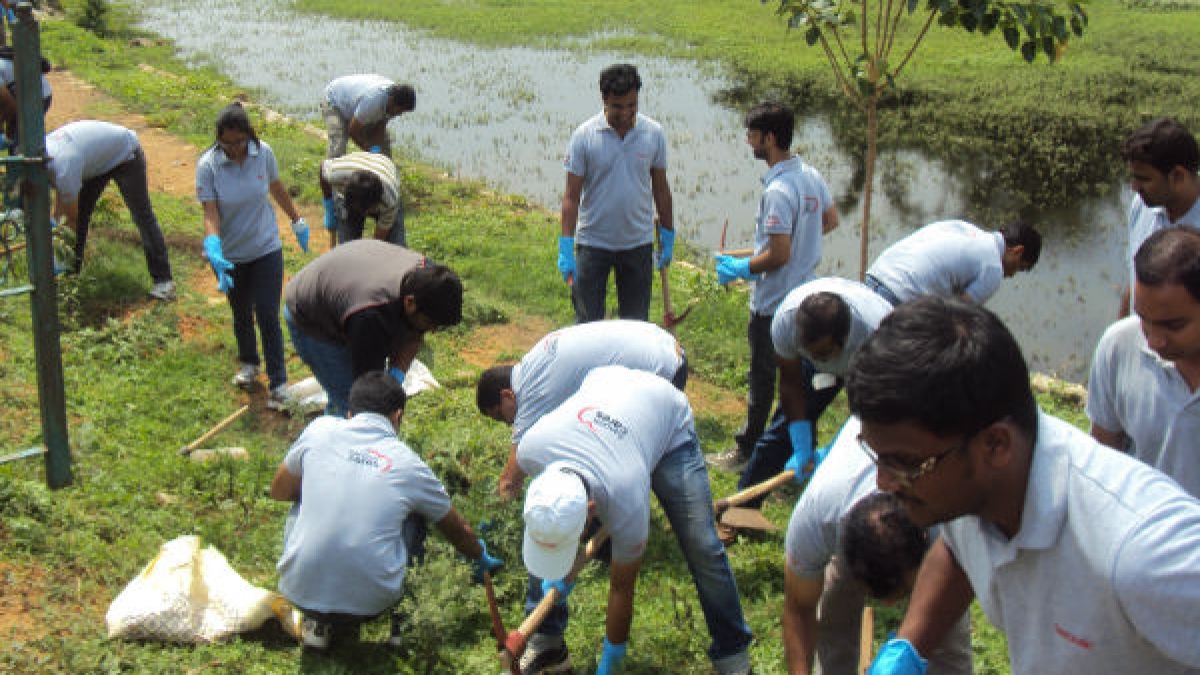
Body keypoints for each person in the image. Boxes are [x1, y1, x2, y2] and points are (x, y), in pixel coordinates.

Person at [846, 296, 1200, 675]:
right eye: (877, 455)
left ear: (996, 444)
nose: (884, 482)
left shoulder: (1144, 552)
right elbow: (956, 547)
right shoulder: (964, 489)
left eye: (905, 463)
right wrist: (910, 647)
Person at [516, 366, 753, 675]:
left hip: (665, 417)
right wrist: (554, 570)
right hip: (605, 385)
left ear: (591, 512)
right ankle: (548, 642)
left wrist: (611, 660)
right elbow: (549, 519)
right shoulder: (531, 450)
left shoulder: (625, 501)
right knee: (549, 532)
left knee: (702, 544)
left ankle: (733, 657)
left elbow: (621, 588)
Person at [270, 371, 502, 652]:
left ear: (350, 412)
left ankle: (317, 625)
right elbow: (456, 529)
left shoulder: (320, 431)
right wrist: (480, 556)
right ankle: (401, 627)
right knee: (417, 514)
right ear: (397, 416)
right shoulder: (407, 464)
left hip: (300, 591)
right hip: (371, 603)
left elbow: (279, 491)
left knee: (300, 494)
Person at [782, 416, 973, 675]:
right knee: (835, 612)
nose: (889, 608)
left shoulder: (947, 509)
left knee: (948, 639)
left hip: (933, 517)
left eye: (902, 590)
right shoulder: (816, 517)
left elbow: (955, 589)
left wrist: (911, 645)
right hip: (845, 513)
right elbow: (798, 609)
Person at [709, 101, 839, 472]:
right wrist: (803, 241)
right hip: (806, 296)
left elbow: (778, 254)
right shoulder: (811, 176)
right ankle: (795, 446)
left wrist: (742, 268)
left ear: (769, 138)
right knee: (797, 376)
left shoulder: (779, 190)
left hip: (773, 303)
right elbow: (829, 219)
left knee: (765, 380)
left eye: (752, 135)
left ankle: (749, 449)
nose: (748, 141)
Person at [721, 277, 892, 543]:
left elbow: (869, 412)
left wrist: (835, 449)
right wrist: (800, 440)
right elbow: (790, 384)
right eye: (808, 351)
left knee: (863, 452)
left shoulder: (878, 337)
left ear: (843, 339)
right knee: (781, 435)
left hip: (872, 366)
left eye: (822, 353)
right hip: (831, 351)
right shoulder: (787, 323)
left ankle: (846, 524)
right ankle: (740, 512)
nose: (816, 357)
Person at [475, 319, 687, 498]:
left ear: (507, 395)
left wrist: (498, 518)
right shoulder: (533, 361)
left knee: (617, 452)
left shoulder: (531, 394)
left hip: (662, 370)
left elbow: (510, 482)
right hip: (661, 342)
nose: (509, 424)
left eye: (501, 416)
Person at [196, 102, 307, 409]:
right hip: (231, 253)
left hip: (265, 247)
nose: (233, 149)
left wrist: (296, 219)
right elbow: (211, 212)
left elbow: (275, 187)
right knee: (241, 312)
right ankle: (249, 363)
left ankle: (279, 381)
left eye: (238, 141)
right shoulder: (209, 165)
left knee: (268, 314)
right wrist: (213, 245)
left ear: (249, 135)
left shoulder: (263, 153)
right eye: (226, 143)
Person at [283, 239, 462, 416]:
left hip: (346, 288)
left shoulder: (430, 277)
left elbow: (411, 338)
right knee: (352, 403)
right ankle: (338, 435)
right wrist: (383, 394)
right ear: (410, 303)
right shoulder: (370, 316)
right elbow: (367, 392)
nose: (432, 331)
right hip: (309, 313)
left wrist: (395, 378)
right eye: (431, 323)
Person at [558, 63, 674, 323]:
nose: (626, 113)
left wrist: (668, 233)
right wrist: (565, 245)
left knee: (635, 325)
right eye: (618, 107)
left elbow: (661, 189)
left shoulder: (653, 134)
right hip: (593, 244)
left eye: (632, 105)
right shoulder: (584, 137)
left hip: (637, 244)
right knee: (588, 324)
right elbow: (571, 196)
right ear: (604, 100)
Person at [1088, 226, 1200, 497]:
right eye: (1144, 320)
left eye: (1173, 325)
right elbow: (1104, 455)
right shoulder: (1120, 345)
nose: (1154, 341)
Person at [45, 119, 176, 300]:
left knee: (141, 215)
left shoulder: (64, 167)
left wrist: (59, 254)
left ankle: (164, 282)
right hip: (95, 159)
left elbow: (68, 219)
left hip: (125, 153)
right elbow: (62, 213)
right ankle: (70, 279)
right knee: (82, 215)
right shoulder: (43, 155)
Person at [1118, 117, 1200, 317]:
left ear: (1178, 176)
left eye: (1144, 179)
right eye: (1134, 177)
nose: (1134, 188)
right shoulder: (1142, 205)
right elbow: (1136, 281)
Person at [862, 219, 1040, 307]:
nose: (1011, 275)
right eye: (1019, 267)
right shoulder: (993, 267)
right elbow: (955, 315)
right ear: (1017, 251)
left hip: (875, 276)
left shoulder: (964, 227)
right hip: (900, 297)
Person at [318, 150, 405, 246]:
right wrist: (328, 203)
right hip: (351, 170)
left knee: (395, 248)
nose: (361, 214)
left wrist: (370, 253)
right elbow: (322, 168)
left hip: (384, 170)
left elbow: (378, 240)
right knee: (347, 248)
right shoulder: (335, 174)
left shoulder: (390, 201)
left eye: (364, 211)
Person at [320, 74, 415, 159]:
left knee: (383, 146)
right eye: (400, 111)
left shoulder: (393, 101)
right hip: (334, 100)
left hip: (356, 106)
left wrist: (378, 150)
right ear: (392, 101)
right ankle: (331, 173)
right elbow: (353, 131)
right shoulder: (373, 101)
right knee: (339, 139)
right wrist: (368, 148)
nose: (400, 114)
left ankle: (383, 171)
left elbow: (379, 129)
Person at [0, 46, 51, 145]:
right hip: (24, 93)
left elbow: (8, 103)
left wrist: (8, 125)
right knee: (16, 135)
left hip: (38, 97)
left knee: (20, 138)